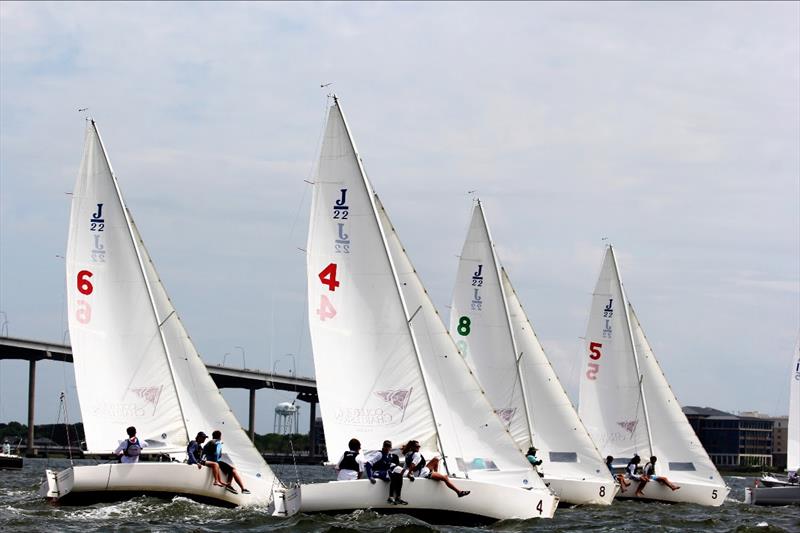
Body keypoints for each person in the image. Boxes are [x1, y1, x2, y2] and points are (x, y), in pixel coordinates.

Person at [402, 440, 470, 498]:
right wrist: (408, 474)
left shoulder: (408, 455)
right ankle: (458, 492)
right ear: (412, 447)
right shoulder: (417, 454)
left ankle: (437, 474)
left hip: (421, 471)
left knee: (436, 459)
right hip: (423, 474)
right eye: (417, 446)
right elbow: (412, 465)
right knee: (445, 478)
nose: (419, 447)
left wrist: (402, 474)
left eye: (419, 446)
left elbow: (405, 467)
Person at [203, 430, 250, 495]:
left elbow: (204, 452)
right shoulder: (217, 442)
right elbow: (217, 453)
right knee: (233, 469)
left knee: (231, 469)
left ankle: (229, 485)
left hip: (210, 460)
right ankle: (242, 488)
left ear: (213, 436)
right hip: (214, 461)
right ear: (220, 436)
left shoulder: (209, 442)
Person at [364, 439, 406, 505]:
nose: (387, 448)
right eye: (385, 446)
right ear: (383, 446)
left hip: (385, 472)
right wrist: (370, 476)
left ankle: (398, 497)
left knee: (399, 474)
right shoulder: (379, 454)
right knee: (393, 474)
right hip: (377, 472)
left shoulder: (389, 455)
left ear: (390, 448)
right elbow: (368, 464)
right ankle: (390, 497)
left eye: (388, 446)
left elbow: (391, 466)